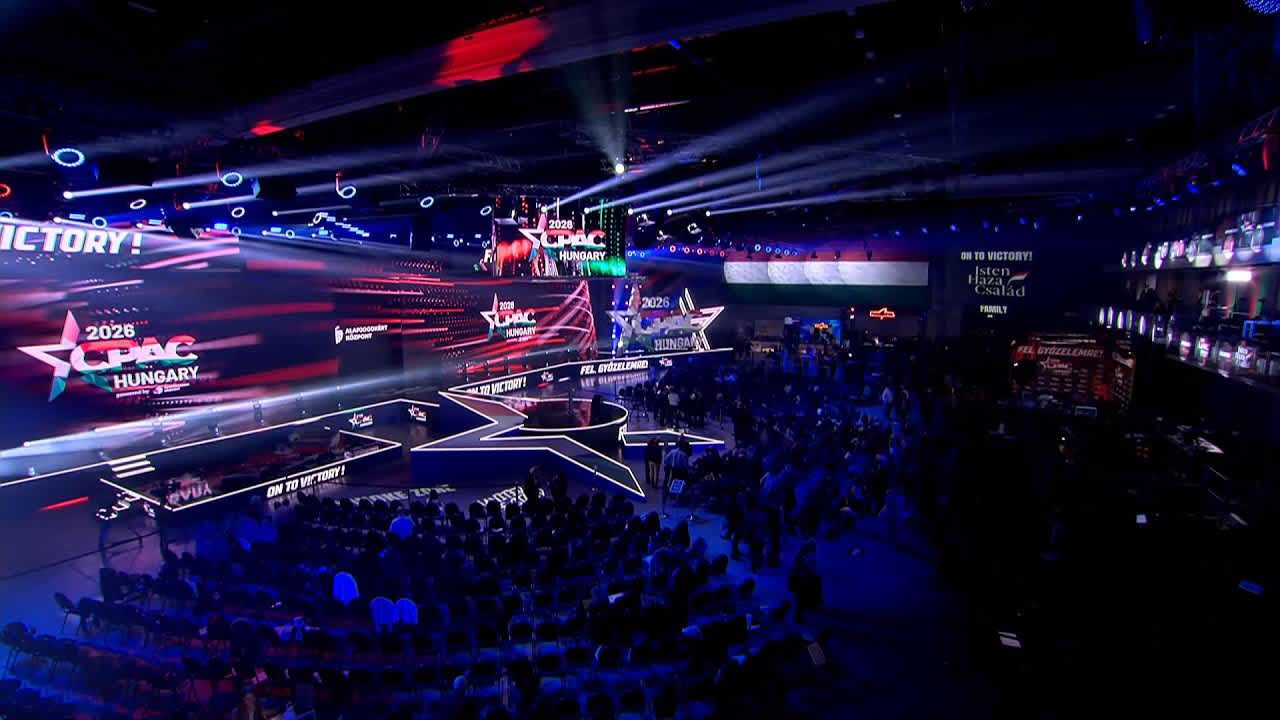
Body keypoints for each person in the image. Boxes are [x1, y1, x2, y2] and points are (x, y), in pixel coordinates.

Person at [788, 542, 823, 623]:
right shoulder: (804, 558)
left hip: (801, 580)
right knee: (800, 600)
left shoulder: (802, 557)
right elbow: (803, 570)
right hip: (801, 581)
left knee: (800, 600)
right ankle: (798, 617)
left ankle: (800, 614)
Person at [662, 442, 690, 517]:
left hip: (673, 470)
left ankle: (672, 497)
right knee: (680, 484)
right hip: (681, 471)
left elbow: (666, 460)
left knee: (672, 483)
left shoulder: (672, 452)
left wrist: (668, 466)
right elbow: (686, 465)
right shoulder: (684, 455)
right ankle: (678, 498)